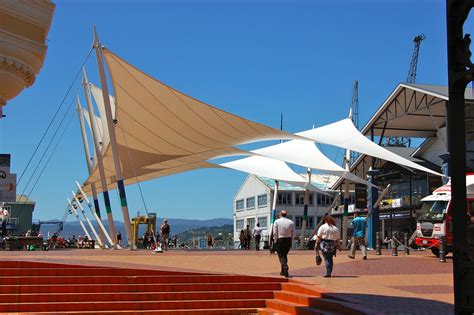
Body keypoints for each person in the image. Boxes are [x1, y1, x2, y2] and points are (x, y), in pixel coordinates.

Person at [273, 210, 296, 278]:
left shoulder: (277, 221)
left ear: (280, 214)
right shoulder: (291, 222)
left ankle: (285, 267)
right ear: (286, 214)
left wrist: (275, 240)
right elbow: (294, 233)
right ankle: (283, 271)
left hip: (280, 239)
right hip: (288, 240)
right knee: (284, 255)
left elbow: (275, 232)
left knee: (281, 255)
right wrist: (291, 240)